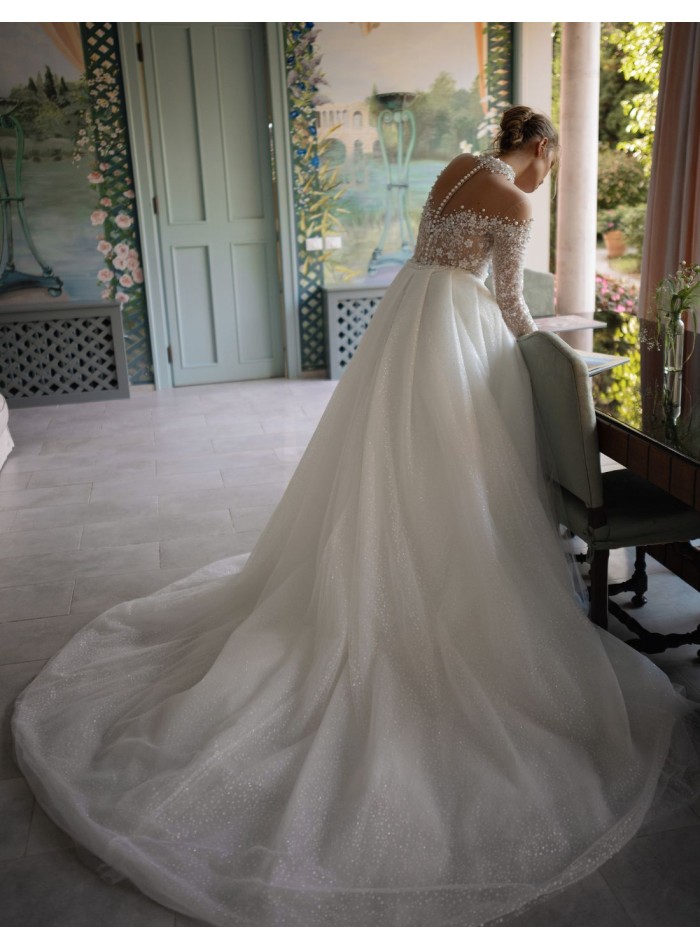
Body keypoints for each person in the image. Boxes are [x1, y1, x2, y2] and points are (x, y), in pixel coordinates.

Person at [11, 106, 700, 927]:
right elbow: (511, 302)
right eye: (551, 160)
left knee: (392, 459)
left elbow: (437, 252)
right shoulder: (516, 198)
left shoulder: (458, 166)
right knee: (461, 466)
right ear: (541, 148)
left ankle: (390, 562)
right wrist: (557, 351)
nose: (548, 173)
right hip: (459, 328)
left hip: (409, 319)